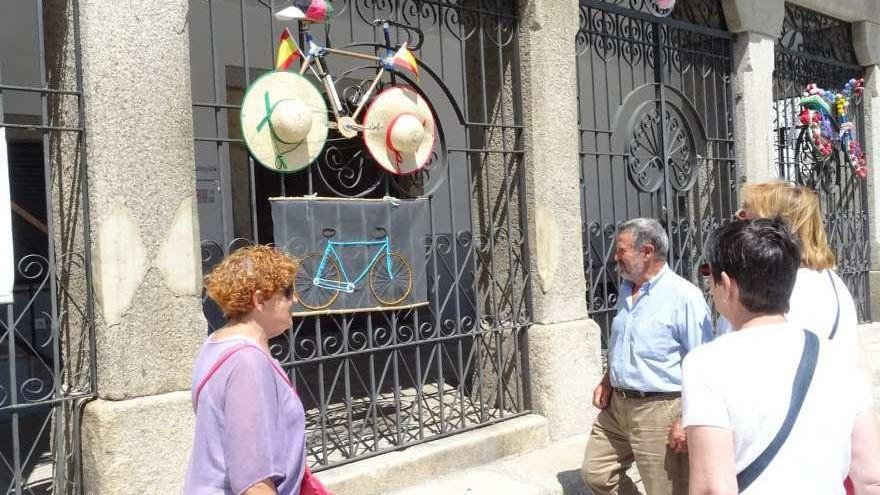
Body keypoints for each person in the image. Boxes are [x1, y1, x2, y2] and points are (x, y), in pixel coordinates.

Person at [683, 218, 880, 494]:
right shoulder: (839, 358)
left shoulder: (706, 365)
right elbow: (871, 476)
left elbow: (711, 486)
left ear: (726, 284)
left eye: (709, 274)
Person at [582, 218, 714, 495]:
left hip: (660, 408)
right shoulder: (627, 289)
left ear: (647, 252)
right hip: (617, 406)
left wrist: (688, 418)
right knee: (596, 473)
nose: (614, 258)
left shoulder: (684, 297)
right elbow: (623, 341)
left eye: (621, 251)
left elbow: (704, 364)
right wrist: (608, 379)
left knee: (664, 490)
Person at [183, 245, 308, 495]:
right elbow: (253, 482)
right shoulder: (247, 362)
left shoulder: (215, 344)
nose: (294, 299)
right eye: (287, 292)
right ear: (259, 300)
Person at [731, 181, 862, 361]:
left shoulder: (796, 288)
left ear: (777, 229)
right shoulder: (820, 279)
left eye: (746, 216)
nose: (737, 219)